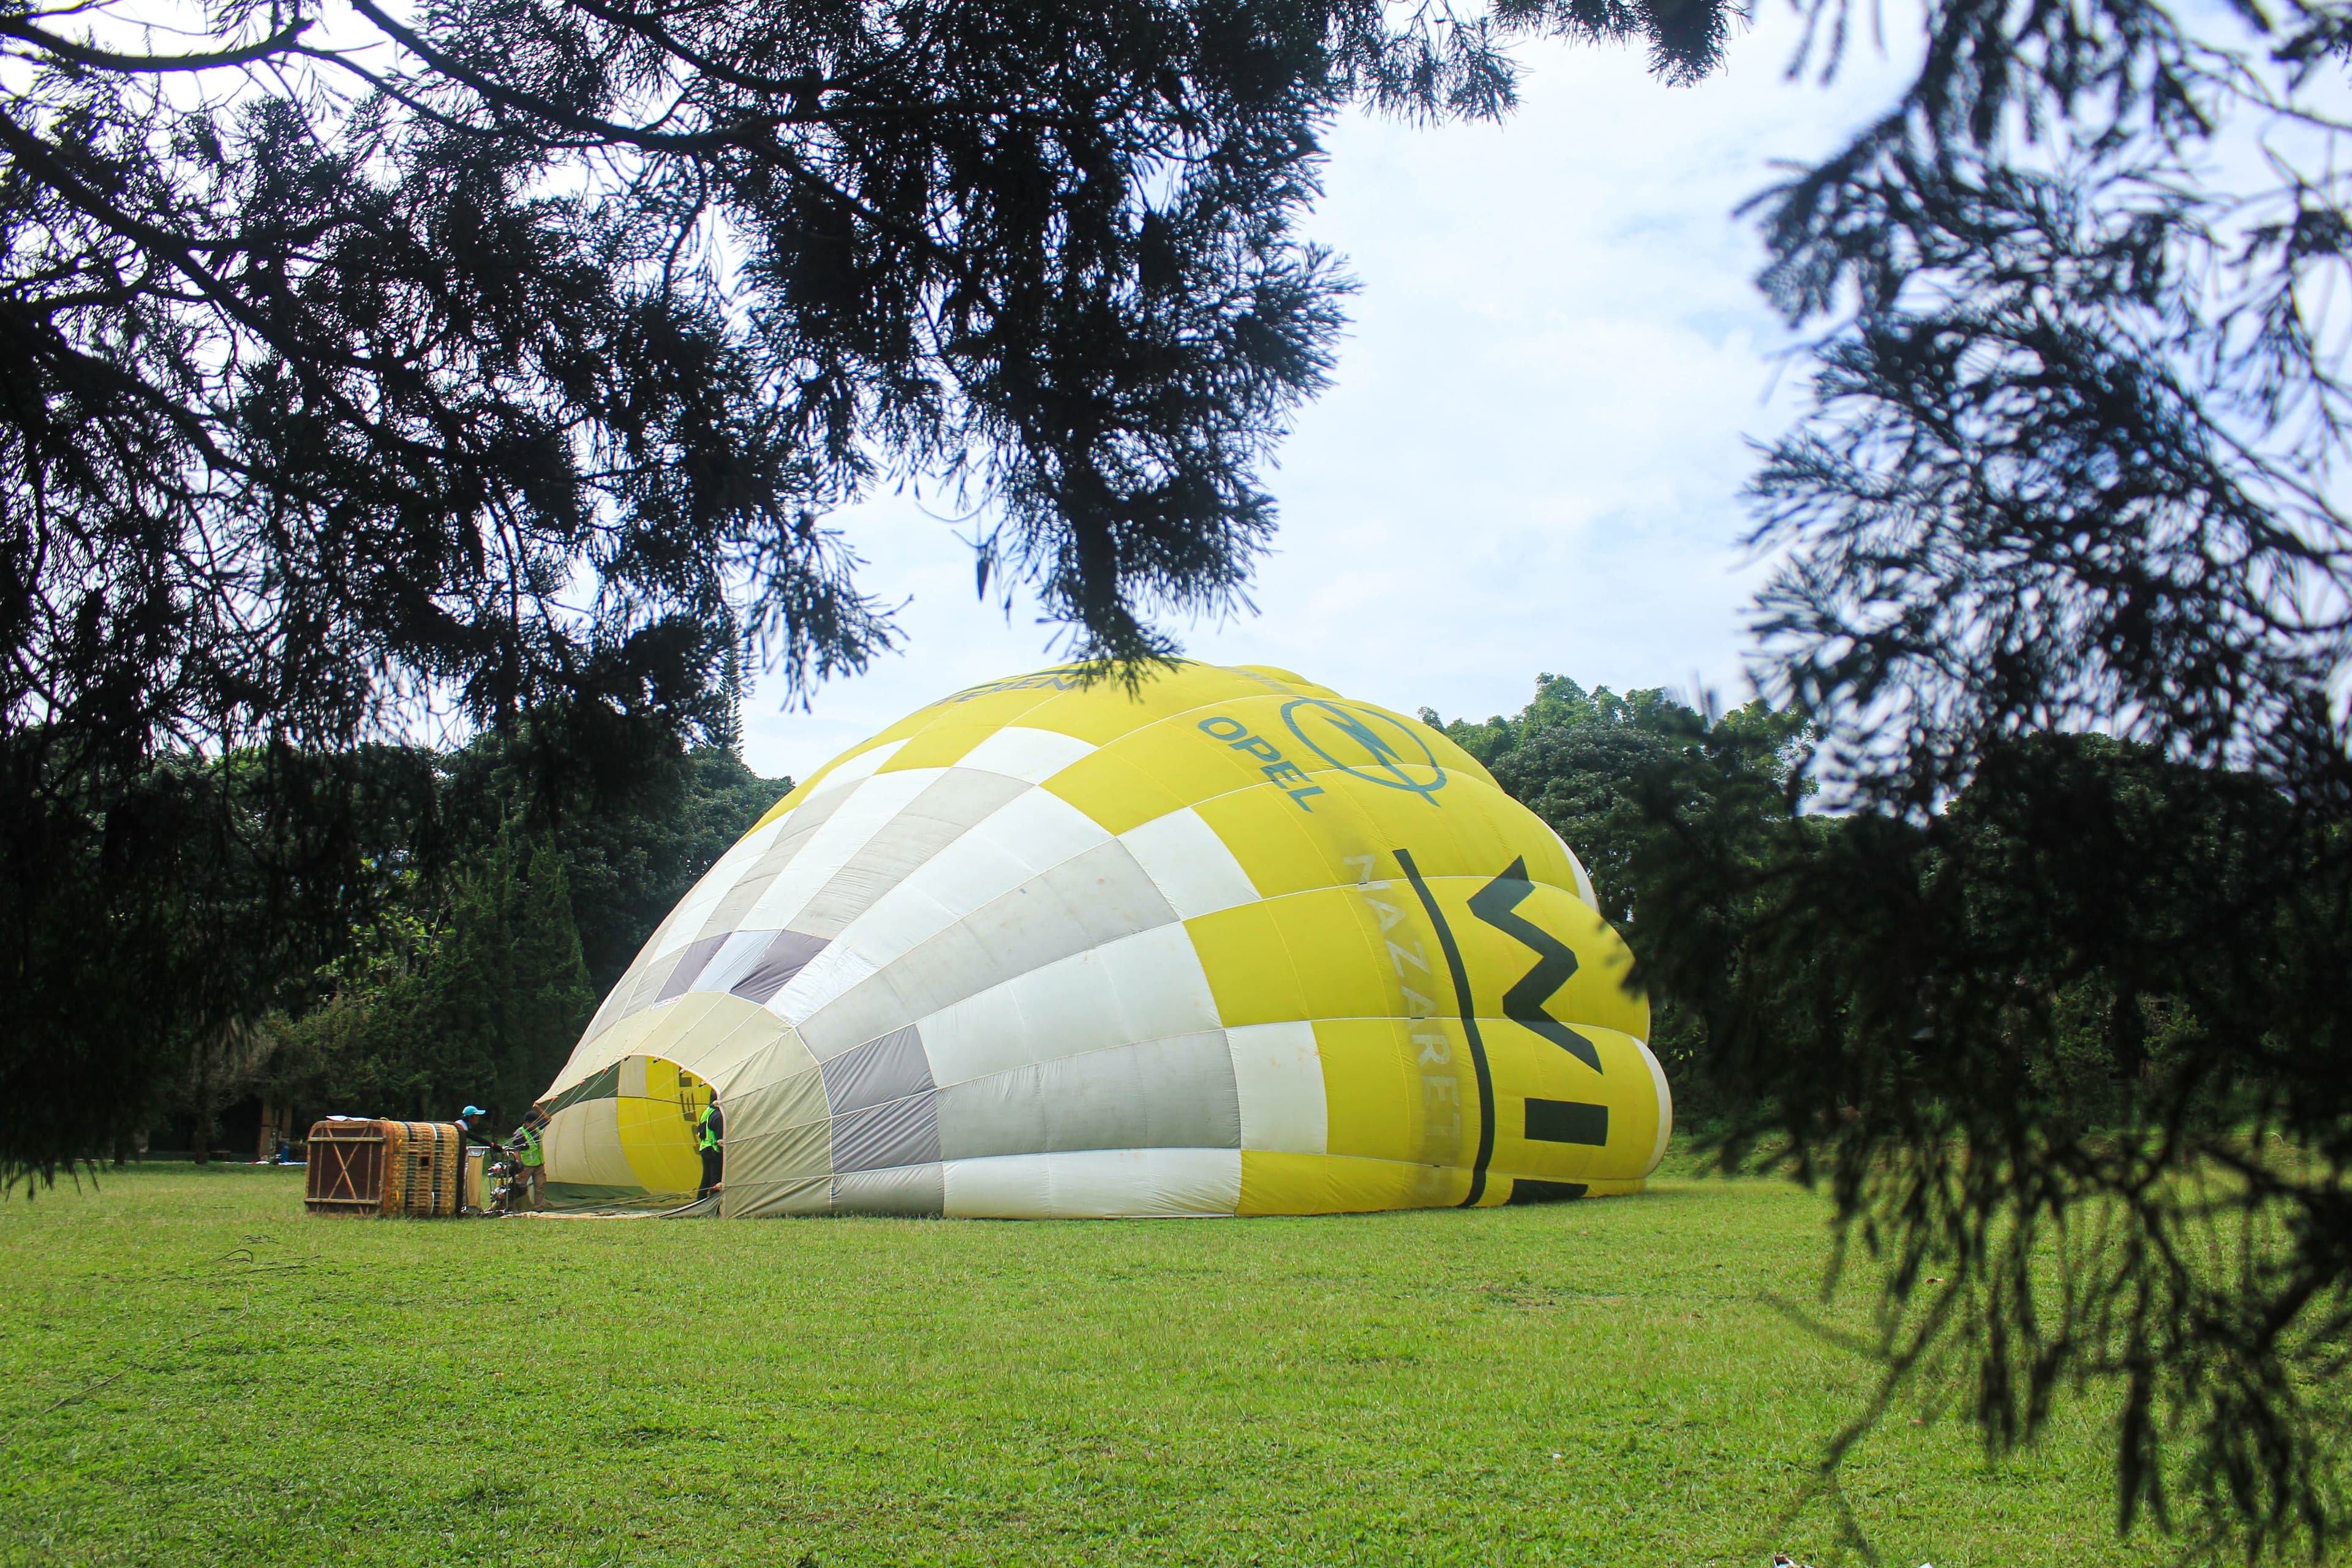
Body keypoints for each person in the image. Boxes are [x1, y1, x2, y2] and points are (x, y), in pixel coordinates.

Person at [508, 1113, 547, 1213]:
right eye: (534, 1123)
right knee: (519, 1188)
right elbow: (517, 1151)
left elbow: (548, 1119)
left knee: (540, 1187)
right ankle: (512, 1208)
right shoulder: (519, 1134)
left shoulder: (537, 1129)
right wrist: (519, 1168)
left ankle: (539, 1209)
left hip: (539, 1163)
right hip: (526, 1165)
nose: (536, 1125)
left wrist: (539, 1108)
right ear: (527, 1123)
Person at [695, 1096, 725, 1202]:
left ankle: (699, 1201)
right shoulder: (718, 1116)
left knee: (706, 1179)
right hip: (714, 1150)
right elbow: (720, 1136)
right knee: (715, 1180)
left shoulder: (707, 1112)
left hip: (704, 1148)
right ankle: (713, 1204)